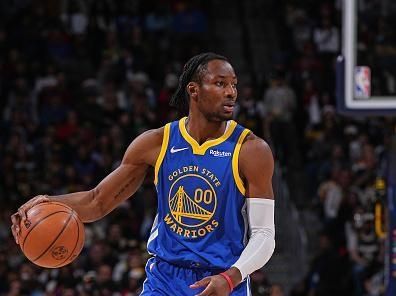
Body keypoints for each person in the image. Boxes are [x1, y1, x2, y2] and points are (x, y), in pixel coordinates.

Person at [11, 52, 276, 296]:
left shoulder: (251, 150)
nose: (231, 92)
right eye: (220, 84)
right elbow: (97, 201)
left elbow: (264, 235)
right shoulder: (157, 143)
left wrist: (231, 278)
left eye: (234, 85)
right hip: (165, 278)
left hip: (223, 279)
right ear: (194, 91)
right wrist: (47, 202)